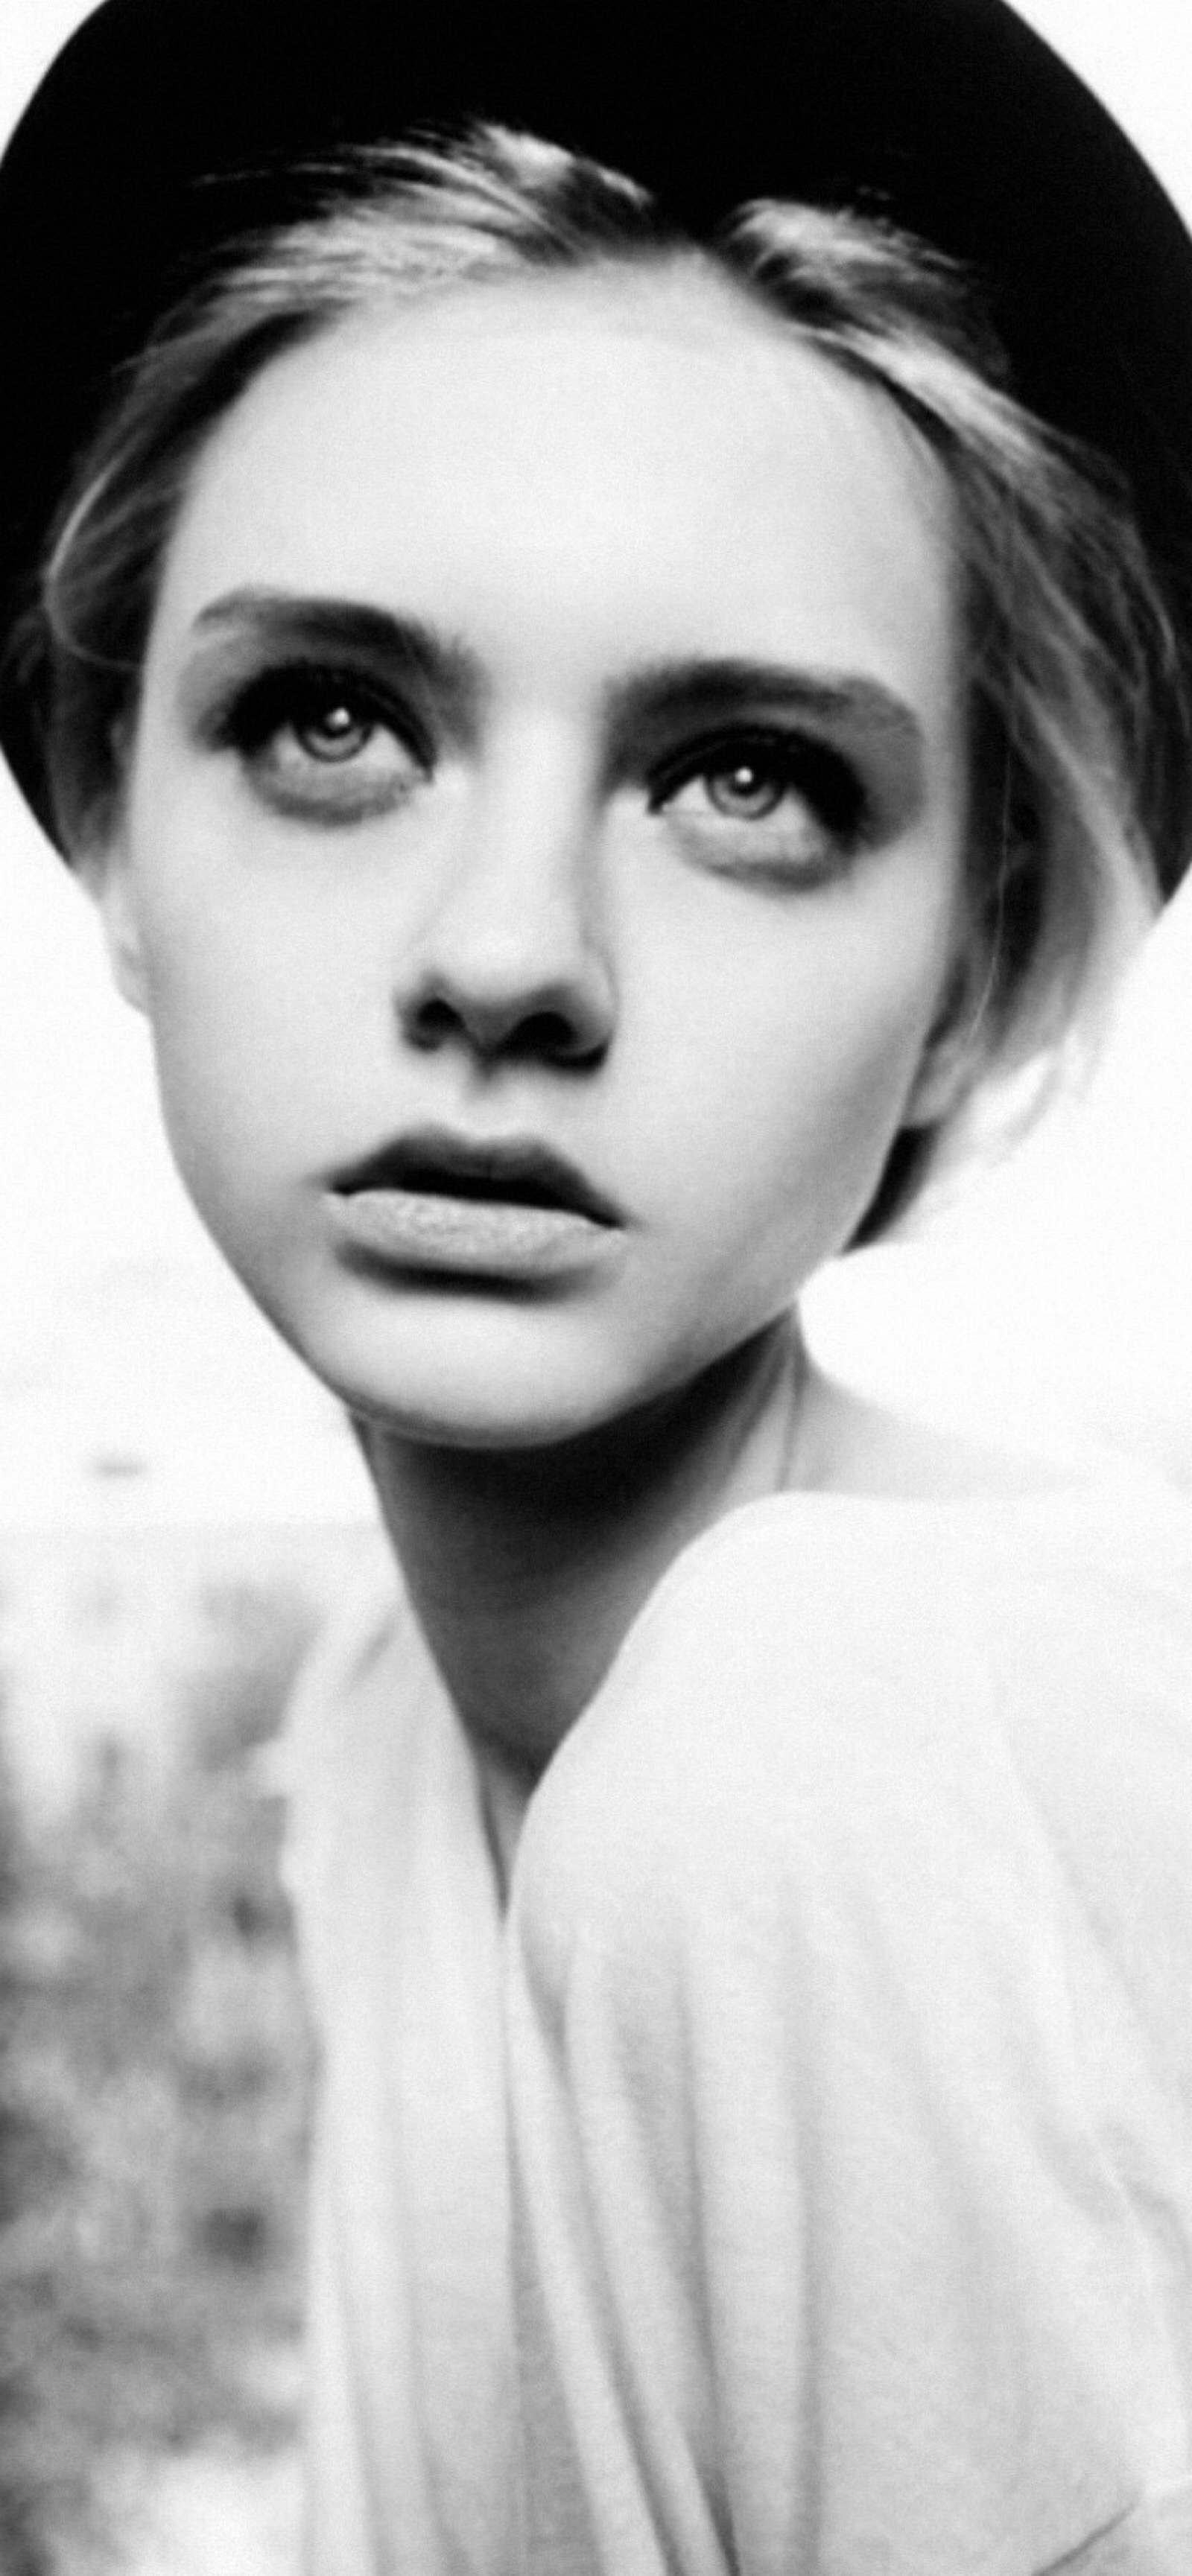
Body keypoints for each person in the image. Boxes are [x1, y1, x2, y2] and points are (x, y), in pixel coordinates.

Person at [2, 1, 1192, 2568]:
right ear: (110, 823)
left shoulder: (828, 1739)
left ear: (971, 969)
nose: (509, 954)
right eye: (333, 721)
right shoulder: (375, 1742)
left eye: (748, 777)